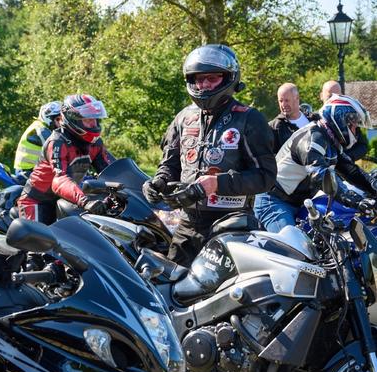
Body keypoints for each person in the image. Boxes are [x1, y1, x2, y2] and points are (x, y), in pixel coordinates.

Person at [143, 44, 276, 267]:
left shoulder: (249, 119)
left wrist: (216, 183)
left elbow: (266, 177)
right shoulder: (184, 118)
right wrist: (159, 181)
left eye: (211, 78)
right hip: (187, 225)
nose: (204, 85)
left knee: (228, 297)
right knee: (171, 288)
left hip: (233, 225)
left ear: (228, 78)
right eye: (198, 79)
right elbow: (171, 162)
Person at [254, 95, 377, 233]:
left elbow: (351, 171)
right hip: (274, 202)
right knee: (294, 248)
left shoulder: (329, 140)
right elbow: (320, 176)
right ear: (341, 119)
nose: (355, 130)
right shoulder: (312, 139)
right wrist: (357, 201)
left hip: (299, 203)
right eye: (353, 125)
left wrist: (374, 188)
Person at [17, 94, 115, 224]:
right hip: (38, 201)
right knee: (37, 241)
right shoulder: (57, 141)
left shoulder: (95, 143)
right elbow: (60, 179)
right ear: (73, 120)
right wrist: (84, 201)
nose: (93, 124)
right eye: (88, 120)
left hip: (66, 199)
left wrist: (140, 187)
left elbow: (112, 170)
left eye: (95, 120)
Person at [13, 101, 62, 182]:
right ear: (49, 118)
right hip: (27, 171)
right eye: (58, 119)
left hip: (32, 169)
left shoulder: (42, 127)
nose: (61, 123)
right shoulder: (41, 129)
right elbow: (56, 146)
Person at [321, 80, 368, 161]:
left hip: (345, 169)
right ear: (321, 96)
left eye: (337, 96)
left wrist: (347, 157)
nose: (333, 100)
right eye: (330, 97)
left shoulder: (349, 120)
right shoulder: (313, 119)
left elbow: (362, 146)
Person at [269, 83, 315, 153]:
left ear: (297, 98)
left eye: (287, 100)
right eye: (281, 101)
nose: (283, 105)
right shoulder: (274, 128)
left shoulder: (314, 120)